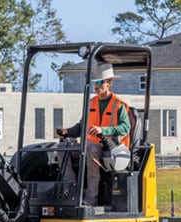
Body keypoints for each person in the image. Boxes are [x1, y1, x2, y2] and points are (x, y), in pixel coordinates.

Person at [55, 63, 131, 206]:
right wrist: (67, 132)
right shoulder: (91, 103)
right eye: (95, 82)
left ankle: (91, 199)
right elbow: (81, 126)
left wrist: (104, 130)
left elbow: (125, 128)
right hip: (89, 145)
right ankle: (71, 192)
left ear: (109, 83)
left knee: (91, 150)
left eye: (100, 82)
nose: (96, 86)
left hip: (111, 149)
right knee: (63, 148)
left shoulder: (118, 105)